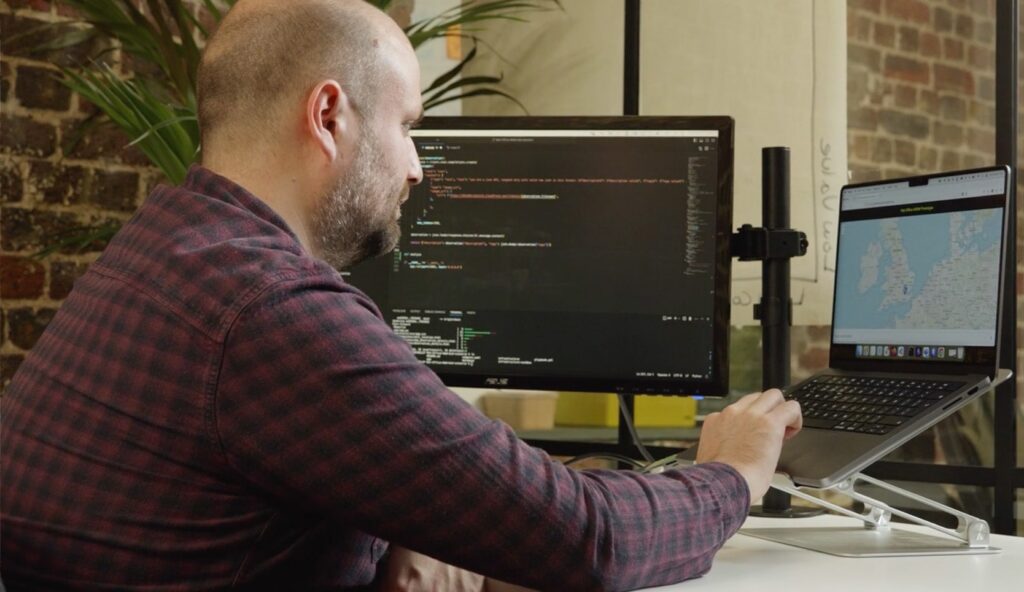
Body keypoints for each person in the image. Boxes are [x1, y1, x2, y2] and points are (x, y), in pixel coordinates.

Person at [0, 0, 802, 590]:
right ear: (328, 116)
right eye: (410, 125)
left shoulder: (163, 245)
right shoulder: (274, 310)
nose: (419, 167)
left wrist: (385, 546)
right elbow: (590, 543)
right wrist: (732, 473)